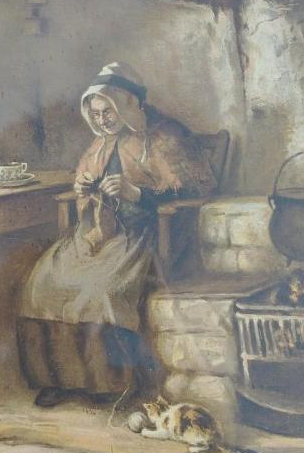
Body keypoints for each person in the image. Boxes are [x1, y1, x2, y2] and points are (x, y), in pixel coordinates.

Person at [17, 61, 217, 407]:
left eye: (107, 112)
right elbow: (86, 184)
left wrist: (136, 193)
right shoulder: (101, 143)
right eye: (95, 114)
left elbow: (196, 187)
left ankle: (111, 384)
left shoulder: (165, 136)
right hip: (98, 232)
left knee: (101, 291)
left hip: (144, 234)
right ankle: (60, 378)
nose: (102, 121)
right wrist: (84, 187)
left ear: (127, 104)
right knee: (42, 283)